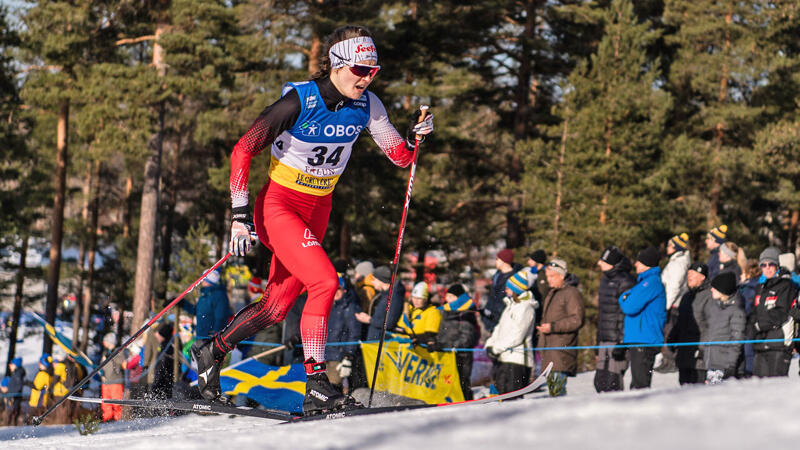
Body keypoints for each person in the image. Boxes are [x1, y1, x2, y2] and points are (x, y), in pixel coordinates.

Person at [191, 25, 434, 414]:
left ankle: (212, 350)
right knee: (324, 281)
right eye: (360, 70)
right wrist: (239, 215)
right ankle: (318, 384)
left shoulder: (368, 105)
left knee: (276, 307)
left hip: (318, 209)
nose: (368, 78)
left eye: (374, 71)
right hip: (278, 206)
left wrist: (414, 136)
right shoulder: (297, 102)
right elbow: (242, 149)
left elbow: (400, 157)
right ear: (337, 65)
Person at [618, 246, 666, 389]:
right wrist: (625, 298)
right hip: (639, 339)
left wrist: (624, 298)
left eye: (639, 261)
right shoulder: (644, 282)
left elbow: (628, 306)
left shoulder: (650, 283)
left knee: (640, 384)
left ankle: (641, 410)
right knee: (637, 382)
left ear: (647, 264)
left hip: (645, 340)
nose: (635, 264)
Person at [536, 259, 585, 396]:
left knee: (557, 394)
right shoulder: (553, 292)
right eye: (547, 277)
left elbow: (577, 320)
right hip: (550, 351)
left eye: (552, 277)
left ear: (561, 275)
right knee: (553, 393)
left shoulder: (571, 293)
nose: (548, 280)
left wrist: (552, 327)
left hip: (561, 352)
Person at [486, 269, 538, 394]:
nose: (506, 290)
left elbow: (517, 335)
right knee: (500, 397)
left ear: (516, 289)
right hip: (504, 357)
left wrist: (497, 348)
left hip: (517, 360)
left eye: (509, 288)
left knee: (511, 399)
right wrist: (490, 345)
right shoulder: (510, 306)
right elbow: (499, 328)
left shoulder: (526, 307)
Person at [594, 246, 635, 393]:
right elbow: (602, 314)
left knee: (613, 382)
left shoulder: (626, 281)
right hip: (604, 339)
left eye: (603, 261)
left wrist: (622, 344)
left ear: (612, 263)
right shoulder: (605, 279)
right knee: (599, 381)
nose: (599, 263)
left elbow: (627, 314)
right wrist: (597, 341)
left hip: (617, 341)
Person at [749, 247, 795, 377]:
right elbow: (754, 312)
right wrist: (752, 327)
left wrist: (760, 324)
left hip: (778, 345)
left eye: (771, 264)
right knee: (758, 388)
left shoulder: (785, 285)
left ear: (777, 266)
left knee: (774, 389)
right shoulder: (760, 287)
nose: (767, 268)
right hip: (760, 344)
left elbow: (781, 312)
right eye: (764, 265)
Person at [431, 283, 480, 400]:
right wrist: (435, 343)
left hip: (461, 356)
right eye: (447, 296)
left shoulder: (466, 313)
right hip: (446, 356)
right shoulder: (445, 312)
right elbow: (440, 331)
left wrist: (449, 346)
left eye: (451, 297)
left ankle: (466, 402)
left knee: (461, 382)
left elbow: (467, 337)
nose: (448, 299)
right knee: (445, 383)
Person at [667, 263, 711, 385]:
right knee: (684, 394)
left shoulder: (709, 296)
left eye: (693, 273)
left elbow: (710, 326)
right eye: (688, 273)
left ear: (702, 276)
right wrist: (673, 337)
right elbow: (681, 320)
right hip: (684, 354)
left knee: (698, 393)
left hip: (700, 358)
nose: (689, 276)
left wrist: (703, 349)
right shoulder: (686, 296)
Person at [656, 233, 691, 374]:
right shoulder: (675, 261)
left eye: (670, 245)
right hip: (672, 302)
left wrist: (666, 305)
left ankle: (671, 361)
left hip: (674, 304)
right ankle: (668, 359)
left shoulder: (679, 263)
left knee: (670, 332)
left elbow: (674, 286)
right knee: (669, 332)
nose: (667, 248)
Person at [702, 272, 746, 384]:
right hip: (712, 364)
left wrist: (731, 365)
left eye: (714, 288)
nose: (711, 290)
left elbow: (737, 340)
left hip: (724, 366)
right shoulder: (716, 308)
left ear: (723, 291)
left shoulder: (736, 311)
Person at [325, 272, 362, 392]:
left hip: (338, 355)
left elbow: (354, 332)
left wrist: (348, 355)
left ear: (344, 290)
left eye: (339, 289)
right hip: (325, 353)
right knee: (323, 386)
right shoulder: (330, 305)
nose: (336, 292)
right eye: (334, 289)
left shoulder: (350, 307)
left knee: (333, 385)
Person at [355, 265, 406, 341]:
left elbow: (389, 323)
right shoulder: (384, 295)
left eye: (374, 279)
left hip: (383, 344)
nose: (372, 282)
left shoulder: (394, 297)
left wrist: (369, 320)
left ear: (381, 280)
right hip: (374, 342)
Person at [184, 268, 232, 340]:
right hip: (201, 336)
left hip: (211, 339)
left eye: (203, 279)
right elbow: (196, 311)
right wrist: (182, 303)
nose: (201, 281)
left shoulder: (219, 295)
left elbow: (221, 317)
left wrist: (215, 334)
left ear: (208, 281)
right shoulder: (205, 295)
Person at [481, 249, 521, 334]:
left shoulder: (514, 278)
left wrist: (498, 316)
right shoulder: (497, 275)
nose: (496, 261)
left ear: (503, 261)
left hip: (503, 319)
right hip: (490, 317)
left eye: (497, 259)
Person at [396, 282, 442, 347]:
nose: (416, 301)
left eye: (419, 298)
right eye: (414, 298)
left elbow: (430, 335)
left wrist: (415, 339)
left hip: (421, 349)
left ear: (425, 299)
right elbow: (400, 328)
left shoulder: (432, 311)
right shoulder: (409, 309)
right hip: (407, 347)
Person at [100, 333, 125, 421]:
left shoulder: (118, 351)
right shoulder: (105, 352)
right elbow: (102, 365)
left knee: (116, 403)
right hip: (106, 381)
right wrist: (101, 372)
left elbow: (122, 362)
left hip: (116, 381)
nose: (104, 343)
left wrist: (112, 355)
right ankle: (107, 419)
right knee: (106, 403)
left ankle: (117, 419)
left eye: (105, 341)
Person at [152, 322, 177, 400]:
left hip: (163, 381)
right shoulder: (164, 345)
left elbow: (161, 369)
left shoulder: (167, 347)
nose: (157, 338)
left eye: (160, 336)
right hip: (163, 380)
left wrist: (156, 384)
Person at [27, 354, 54, 420]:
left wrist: (27, 383)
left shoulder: (43, 374)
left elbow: (37, 387)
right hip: (42, 402)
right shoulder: (48, 374)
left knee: (30, 421)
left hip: (37, 402)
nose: (39, 364)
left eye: (40, 363)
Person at [3, 357, 24, 426]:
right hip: (12, 397)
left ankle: (11, 426)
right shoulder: (15, 373)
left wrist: (11, 394)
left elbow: (18, 386)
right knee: (10, 414)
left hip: (14, 398)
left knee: (12, 414)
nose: (9, 366)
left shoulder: (18, 374)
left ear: (15, 365)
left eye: (11, 364)